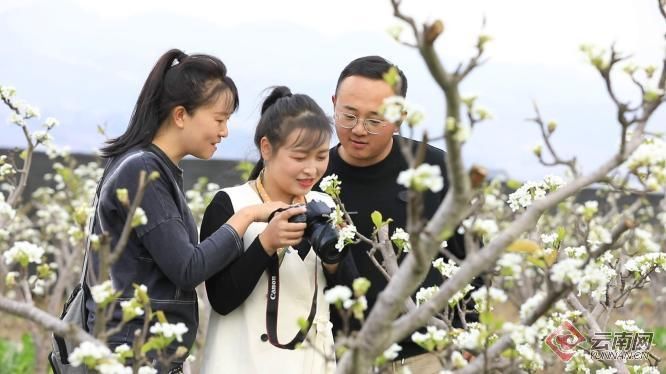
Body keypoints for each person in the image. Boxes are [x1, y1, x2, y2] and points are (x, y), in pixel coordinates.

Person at [86, 49, 289, 372]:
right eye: (219, 120)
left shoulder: (147, 166)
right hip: (132, 355)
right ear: (181, 115)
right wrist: (248, 215)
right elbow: (187, 268)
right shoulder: (143, 171)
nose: (224, 132)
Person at [321, 55, 476, 373]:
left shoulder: (434, 170)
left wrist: (472, 332)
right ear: (334, 103)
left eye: (374, 120)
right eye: (347, 116)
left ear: (400, 116)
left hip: (428, 353)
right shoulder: (312, 173)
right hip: (339, 355)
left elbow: (472, 259)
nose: (358, 130)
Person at [200, 86, 348, 374]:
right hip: (240, 364)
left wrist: (335, 259)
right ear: (266, 148)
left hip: (313, 363)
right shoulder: (231, 204)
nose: (311, 169)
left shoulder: (325, 205)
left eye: (320, 156)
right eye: (300, 156)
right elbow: (221, 299)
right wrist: (265, 243)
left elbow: (349, 299)